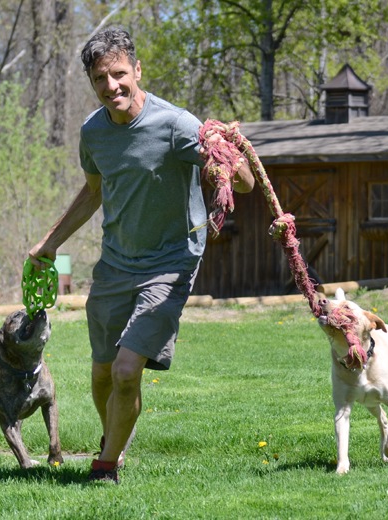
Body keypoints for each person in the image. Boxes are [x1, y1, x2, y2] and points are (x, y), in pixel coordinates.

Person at [28, 27, 254, 484]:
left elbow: (246, 183)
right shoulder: (94, 132)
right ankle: (115, 440)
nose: (111, 86)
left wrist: (223, 156)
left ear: (137, 70)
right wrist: (50, 242)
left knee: (127, 370)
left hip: (171, 262)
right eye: (100, 78)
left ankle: (105, 466)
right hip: (116, 262)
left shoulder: (176, 125)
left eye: (118, 74)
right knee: (103, 374)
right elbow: (93, 192)